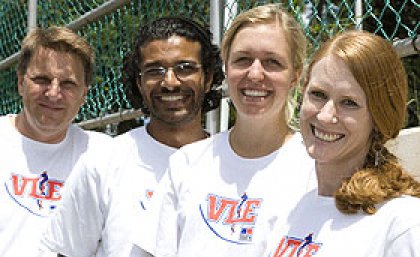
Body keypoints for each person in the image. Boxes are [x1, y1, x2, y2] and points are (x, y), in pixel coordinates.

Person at [41, 17, 224, 257]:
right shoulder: (104, 163)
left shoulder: (229, 165)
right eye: (155, 70)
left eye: (185, 68)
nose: (169, 82)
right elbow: (66, 251)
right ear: (139, 82)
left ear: (208, 78)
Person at [154, 4, 314, 257]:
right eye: (243, 59)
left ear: (295, 75)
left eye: (272, 62)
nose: (255, 74)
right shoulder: (186, 164)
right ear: (226, 67)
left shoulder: (315, 171)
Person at [264, 30, 420, 257]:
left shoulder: (402, 222)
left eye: (349, 102)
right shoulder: (291, 208)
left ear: (378, 118)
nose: (326, 116)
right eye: (318, 94)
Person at [0, 26, 111, 257]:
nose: (53, 93)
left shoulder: (104, 156)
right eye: (42, 79)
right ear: (21, 83)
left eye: (68, 84)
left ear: (84, 94)